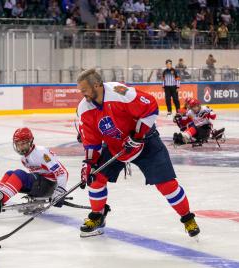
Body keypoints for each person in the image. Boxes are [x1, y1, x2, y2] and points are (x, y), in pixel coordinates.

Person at [76, 68, 200, 239]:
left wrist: (137, 135)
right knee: (95, 178)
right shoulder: (84, 109)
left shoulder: (120, 93)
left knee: (167, 185)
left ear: (96, 85)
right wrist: (88, 164)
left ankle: (187, 218)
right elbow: (92, 142)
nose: (81, 94)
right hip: (116, 147)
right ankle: (98, 216)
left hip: (146, 141)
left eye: (84, 90)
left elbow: (150, 107)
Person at [0, 127, 68, 217]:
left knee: (19, 174)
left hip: (49, 186)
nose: (20, 147)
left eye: (23, 143)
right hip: (40, 184)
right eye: (18, 144)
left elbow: (63, 172)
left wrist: (60, 191)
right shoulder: (24, 158)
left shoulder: (41, 153)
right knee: (9, 173)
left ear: (31, 142)